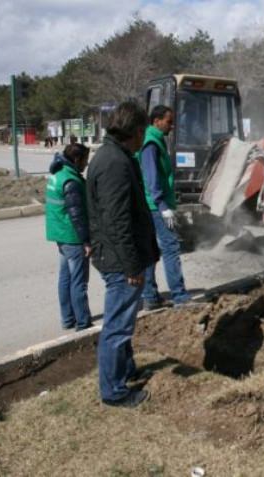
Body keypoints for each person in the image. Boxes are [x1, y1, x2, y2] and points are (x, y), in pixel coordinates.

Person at [86, 101, 160, 408]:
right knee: (117, 327)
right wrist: (132, 265)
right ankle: (114, 392)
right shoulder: (115, 162)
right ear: (137, 130)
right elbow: (117, 222)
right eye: (145, 131)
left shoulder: (113, 155)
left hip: (115, 256)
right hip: (120, 261)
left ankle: (126, 371)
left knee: (123, 322)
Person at [137, 105, 191, 310]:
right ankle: (179, 295)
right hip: (156, 206)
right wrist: (162, 205)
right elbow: (152, 178)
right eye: (169, 121)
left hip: (152, 204)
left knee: (151, 250)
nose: (172, 125)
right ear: (157, 121)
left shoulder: (155, 140)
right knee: (171, 248)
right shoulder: (151, 144)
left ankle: (150, 297)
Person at [45, 143, 92, 331]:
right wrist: (86, 241)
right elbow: (77, 215)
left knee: (65, 278)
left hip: (59, 234)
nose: (86, 165)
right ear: (76, 159)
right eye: (85, 161)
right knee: (79, 282)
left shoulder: (57, 174)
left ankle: (67, 319)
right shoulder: (71, 181)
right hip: (72, 236)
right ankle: (82, 322)